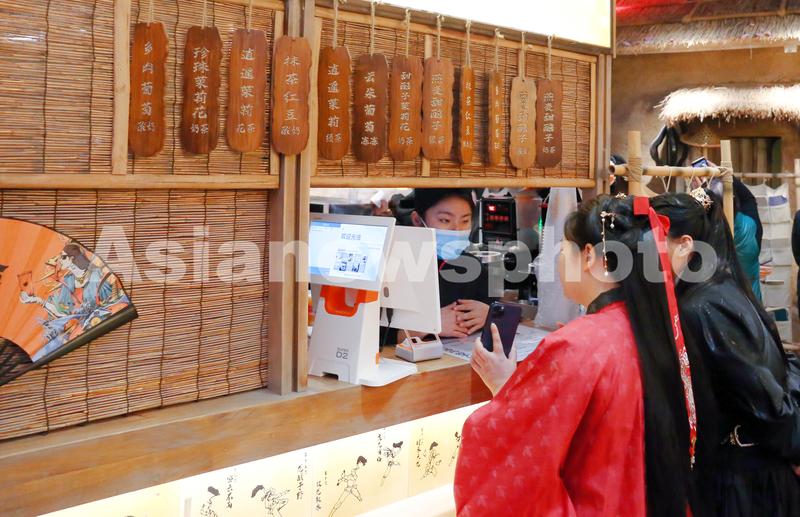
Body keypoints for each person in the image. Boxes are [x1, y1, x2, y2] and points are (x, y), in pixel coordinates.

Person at [455, 195, 716, 516]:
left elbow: (519, 453)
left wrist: (505, 387)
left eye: (564, 249)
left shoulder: (578, 344)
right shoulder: (653, 327)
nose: (557, 261)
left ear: (590, 256)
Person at [650, 189, 800, 517]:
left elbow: (769, 406)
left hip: (746, 483)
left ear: (685, 244)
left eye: (652, 244)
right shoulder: (711, 291)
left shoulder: (705, 305)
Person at [410, 189, 492, 338]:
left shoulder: (472, 265)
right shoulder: (393, 266)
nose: (457, 230)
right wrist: (425, 326)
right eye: (445, 220)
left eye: (465, 221)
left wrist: (490, 315)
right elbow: (374, 332)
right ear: (417, 220)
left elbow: (501, 311)